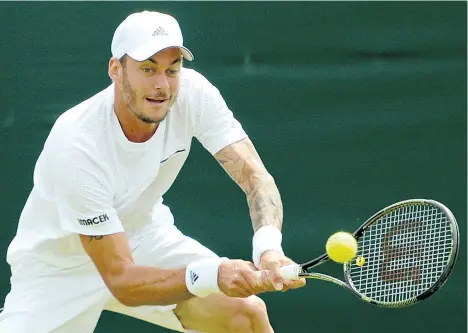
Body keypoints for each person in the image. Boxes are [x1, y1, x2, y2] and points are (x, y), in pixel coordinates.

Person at [0, 10, 305, 333]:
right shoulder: (77, 145)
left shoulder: (193, 94)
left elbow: (255, 177)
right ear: (116, 70)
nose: (162, 85)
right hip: (58, 267)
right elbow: (122, 280)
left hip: (143, 234)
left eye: (172, 69)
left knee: (245, 315)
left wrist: (268, 248)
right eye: (147, 69)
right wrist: (212, 275)